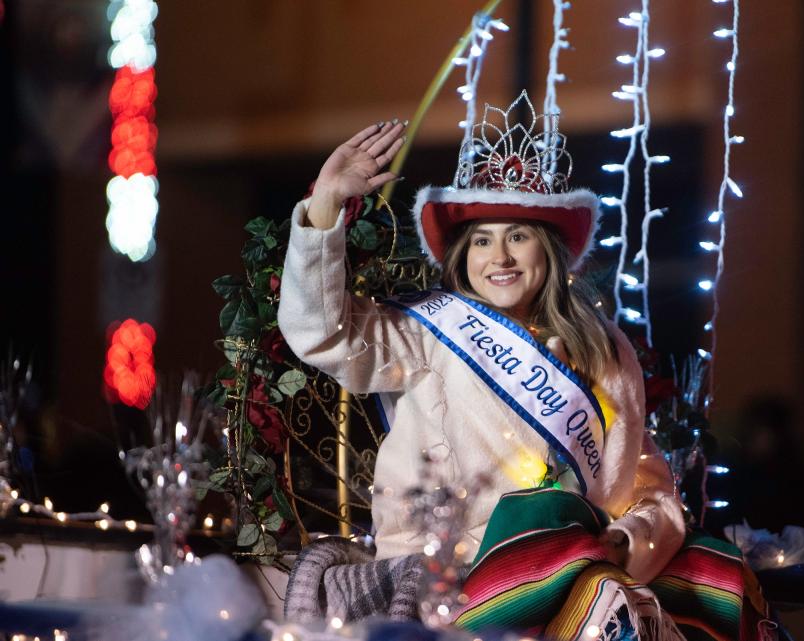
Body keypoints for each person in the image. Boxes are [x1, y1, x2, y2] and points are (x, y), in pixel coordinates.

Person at [277, 95, 763, 640]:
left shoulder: (606, 350)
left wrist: (628, 538)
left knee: (721, 574)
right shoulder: (426, 333)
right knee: (586, 581)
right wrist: (325, 205)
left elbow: (646, 482)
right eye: (481, 240)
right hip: (454, 572)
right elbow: (321, 333)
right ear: (461, 256)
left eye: (518, 236)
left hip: (582, 559)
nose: (499, 257)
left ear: (548, 250)